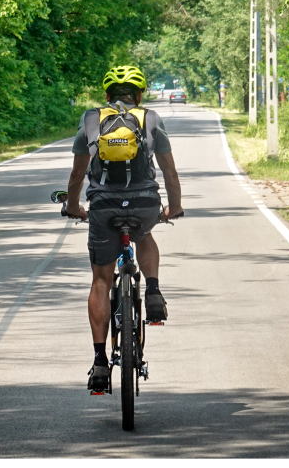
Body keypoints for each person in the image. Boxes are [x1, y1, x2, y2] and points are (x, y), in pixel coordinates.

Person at [64, 65, 183, 393]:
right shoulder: (151, 119)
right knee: (144, 234)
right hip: (144, 203)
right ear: (140, 95)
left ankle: (100, 362)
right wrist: (174, 207)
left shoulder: (91, 119)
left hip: (103, 206)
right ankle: (153, 290)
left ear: (107, 95)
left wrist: (73, 206)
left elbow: (77, 175)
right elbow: (170, 172)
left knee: (101, 281)